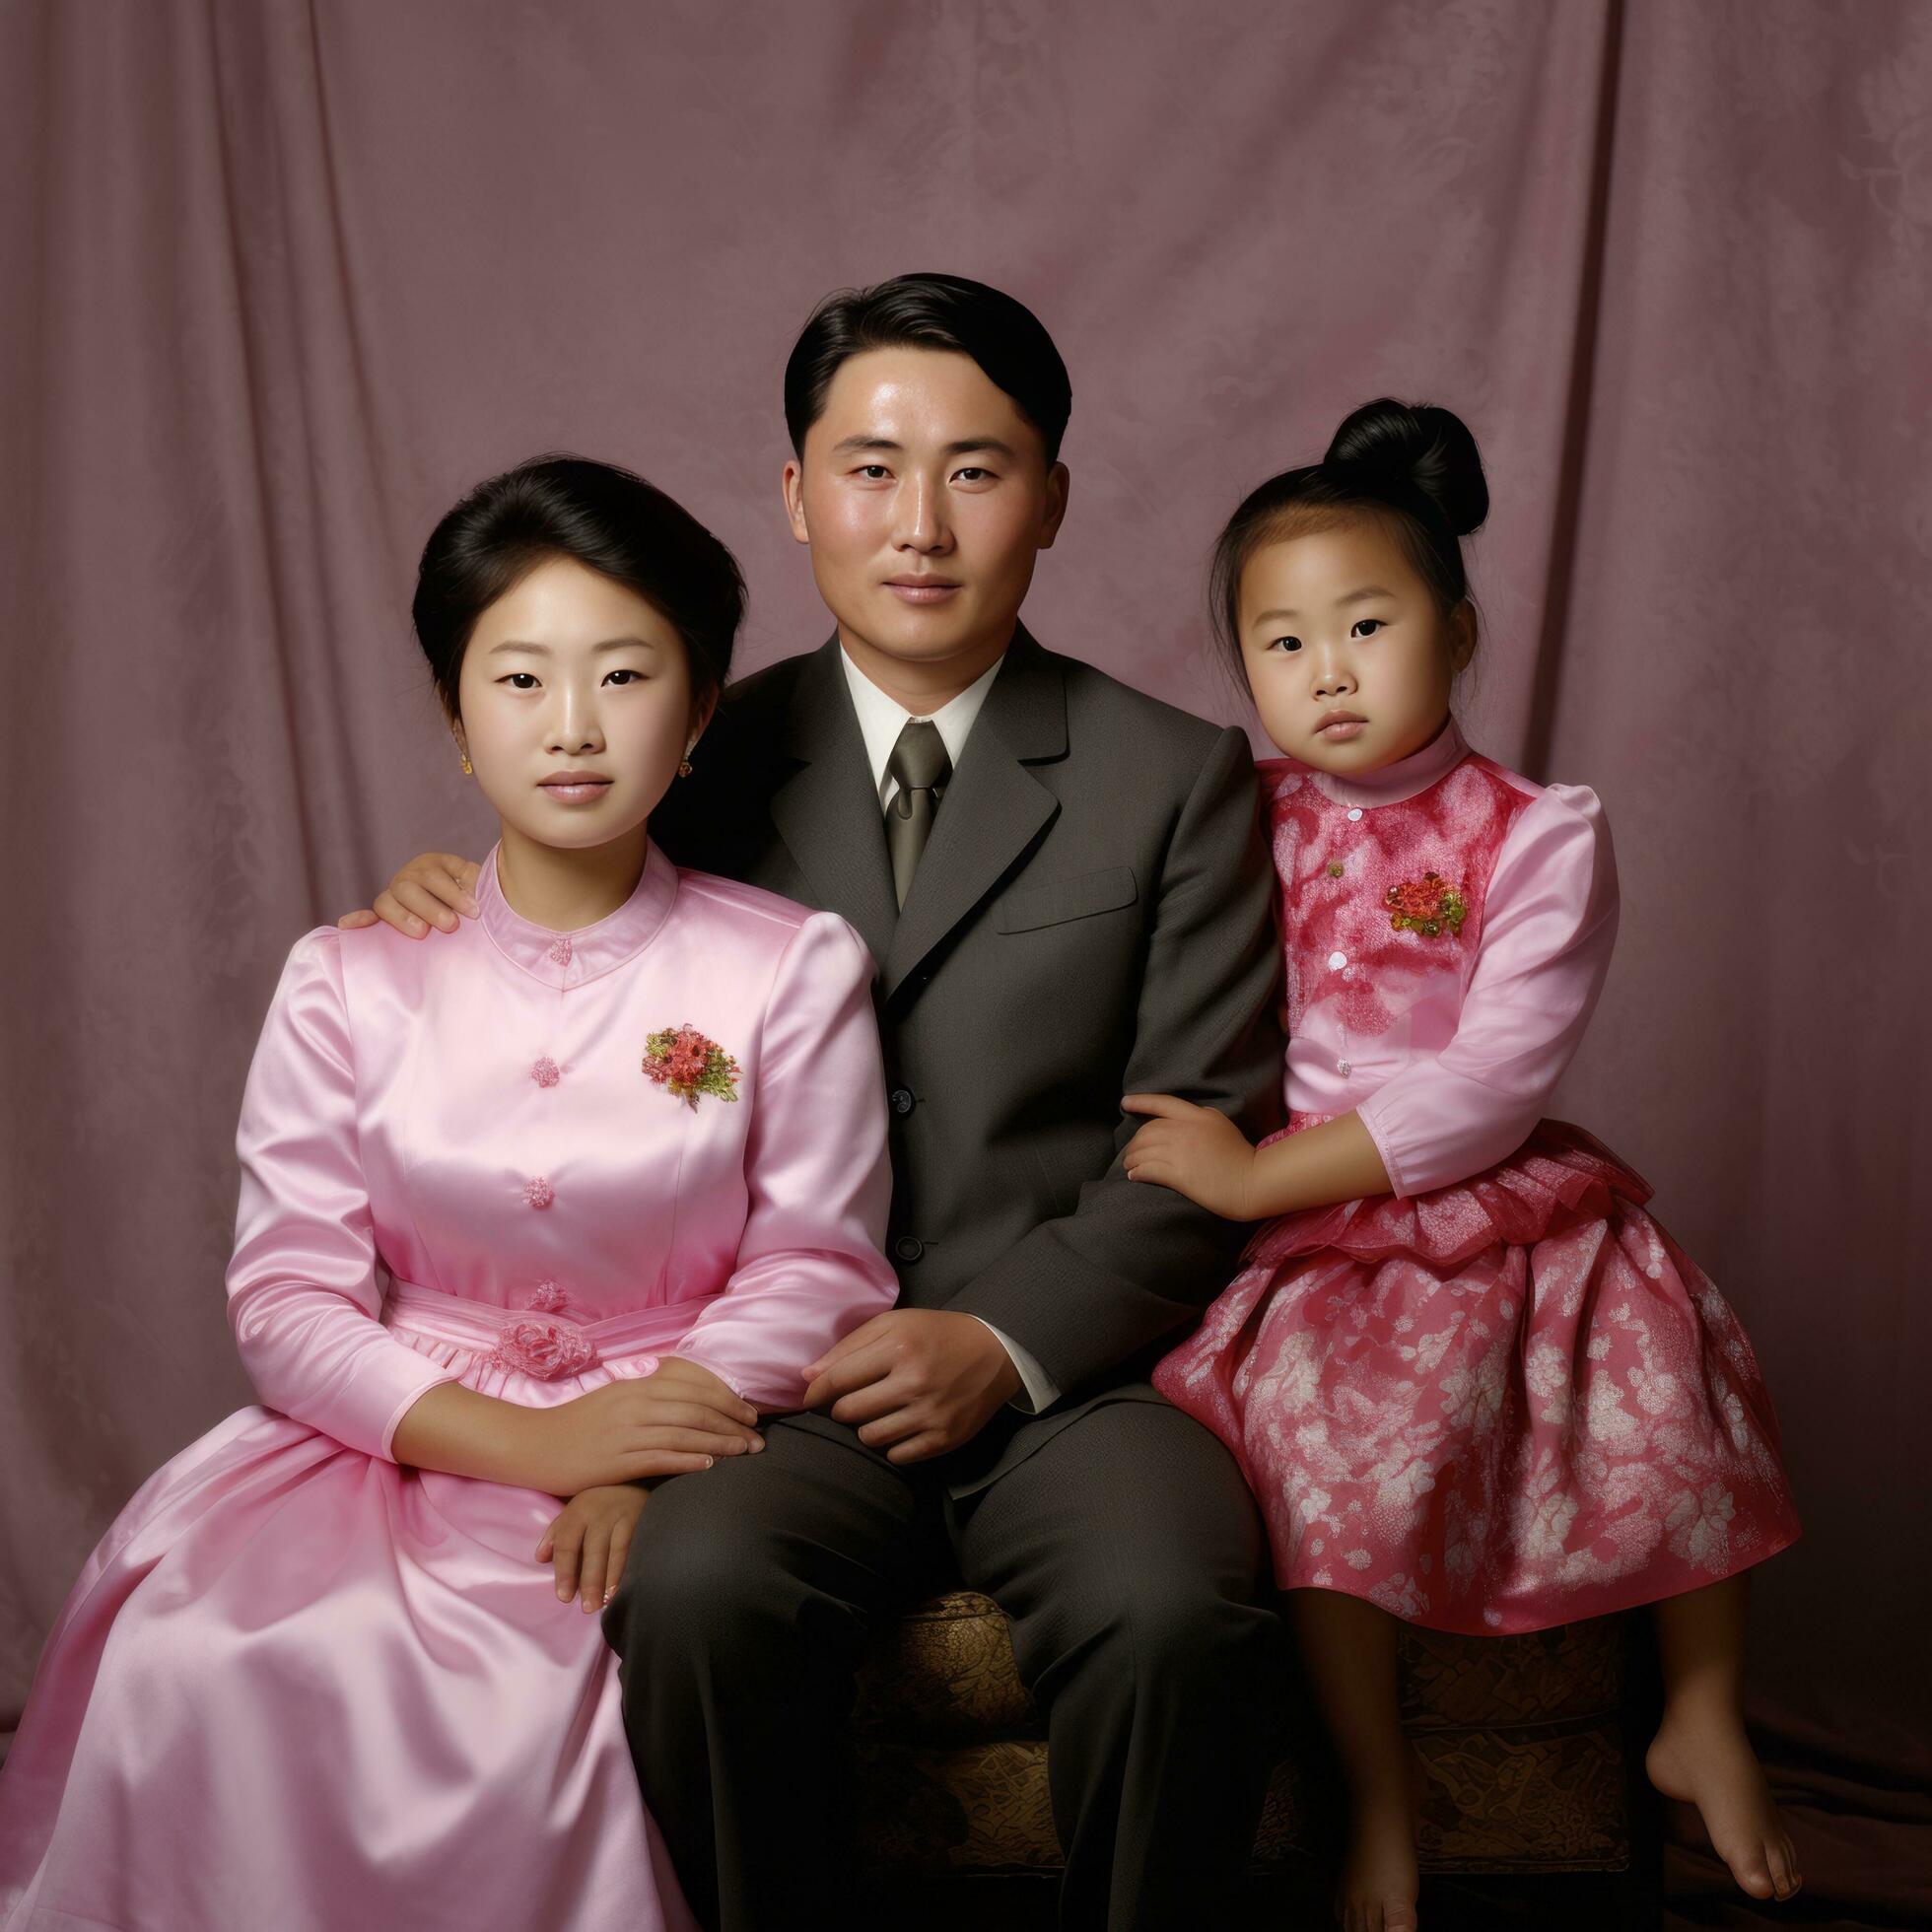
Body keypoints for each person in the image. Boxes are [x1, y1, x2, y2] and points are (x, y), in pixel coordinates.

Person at [349, 274, 1289, 1930]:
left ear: (1055, 495)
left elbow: (1194, 1140)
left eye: (977, 470)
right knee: (697, 1587)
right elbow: (547, 972)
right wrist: (455, 895)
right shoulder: (684, 749)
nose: (917, 523)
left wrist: (992, 1344)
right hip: (754, 1377)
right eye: (868, 466)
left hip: (1070, 1376)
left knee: (1175, 1610)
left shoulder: (1173, 773)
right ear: (793, 495)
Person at [0, 456, 899, 1931]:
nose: (572, 726)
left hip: (665, 1429)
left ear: (697, 718)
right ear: (455, 719)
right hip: (389, 1439)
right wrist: (530, 1442)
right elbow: (287, 1295)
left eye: (623, 675)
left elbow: (822, 1266)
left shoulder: (783, 966)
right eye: (520, 677)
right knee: (205, 1649)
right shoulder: (348, 976)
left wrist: (633, 1447)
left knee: (553, 1693)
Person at [1122, 399, 1805, 1932]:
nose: (1330, 671)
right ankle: (1376, 1791)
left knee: (1672, 1359)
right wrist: (1244, 1185)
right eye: (1282, 644)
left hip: (1484, 1193)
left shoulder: (1539, 832)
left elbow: (1495, 1083)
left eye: (1367, 625)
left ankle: (1703, 1709)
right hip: (1313, 1224)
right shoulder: (1230, 815)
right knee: (1315, 1443)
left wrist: (1251, 1180)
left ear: (1460, 629)